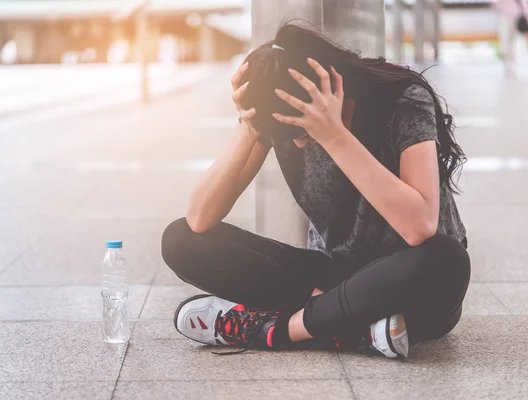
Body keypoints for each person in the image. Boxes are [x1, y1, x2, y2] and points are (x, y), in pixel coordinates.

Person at [161, 23, 470, 359]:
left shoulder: (402, 100)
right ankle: (352, 330)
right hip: (330, 279)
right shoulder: (283, 113)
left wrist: (333, 136)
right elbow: (200, 218)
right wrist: (250, 125)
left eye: (301, 132)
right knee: (180, 239)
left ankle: (280, 330)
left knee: (447, 257)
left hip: (407, 283)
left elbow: (420, 226)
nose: (296, 143)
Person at [494, 0, 528, 76]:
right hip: (505, 16)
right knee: (506, 40)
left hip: (517, 18)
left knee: (515, 41)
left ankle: (512, 62)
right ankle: (508, 61)